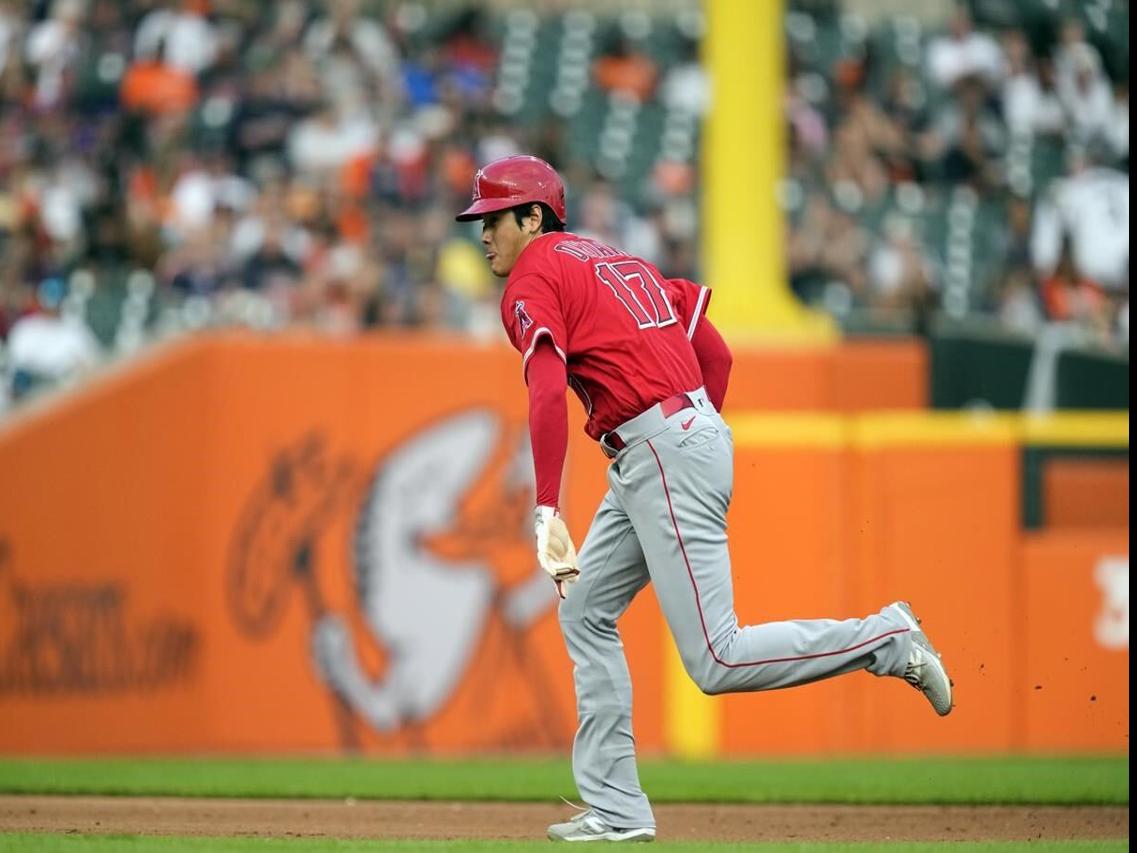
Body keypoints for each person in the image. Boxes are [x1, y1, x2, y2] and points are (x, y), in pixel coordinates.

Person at [455, 155, 954, 843]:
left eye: (492, 218)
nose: (482, 233)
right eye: (478, 221)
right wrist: (694, 430)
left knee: (715, 659)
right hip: (668, 440)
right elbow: (713, 352)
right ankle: (618, 809)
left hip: (658, 447)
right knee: (587, 610)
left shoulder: (535, 269)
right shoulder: (612, 257)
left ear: (532, 217)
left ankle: (885, 638)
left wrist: (547, 504)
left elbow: (545, 386)